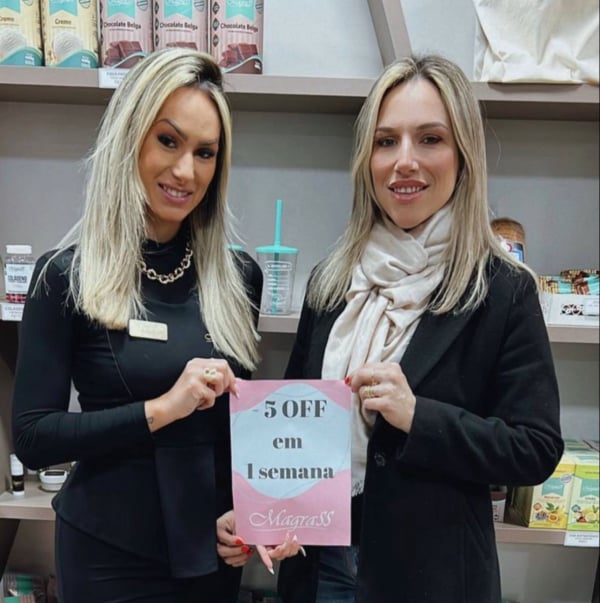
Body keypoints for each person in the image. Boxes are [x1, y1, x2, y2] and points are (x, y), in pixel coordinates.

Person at [274, 54, 564, 602]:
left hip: (434, 577)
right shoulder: (330, 280)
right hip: (321, 568)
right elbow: (296, 417)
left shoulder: (502, 289)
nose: (404, 161)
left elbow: (535, 448)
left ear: (463, 155)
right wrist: (275, 508)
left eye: (429, 139)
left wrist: (418, 416)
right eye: (386, 141)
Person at [12, 48, 264, 603]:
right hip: (106, 555)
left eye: (205, 152)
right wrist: (163, 409)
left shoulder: (239, 278)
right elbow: (32, 437)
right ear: (131, 139)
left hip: (208, 552)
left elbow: (236, 432)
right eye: (168, 141)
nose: (186, 171)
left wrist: (247, 510)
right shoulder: (65, 277)